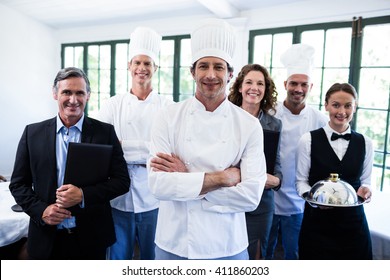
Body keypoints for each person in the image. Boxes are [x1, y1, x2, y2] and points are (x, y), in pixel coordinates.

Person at [148, 19, 267, 260]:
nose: (211, 75)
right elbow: (158, 185)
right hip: (173, 244)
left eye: (219, 67)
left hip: (227, 246)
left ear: (230, 73)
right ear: (192, 72)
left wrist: (187, 180)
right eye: (203, 66)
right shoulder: (167, 116)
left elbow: (251, 197)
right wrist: (222, 178)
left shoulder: (249, 125)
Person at [9, 67, 130, 260]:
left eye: (79, 93)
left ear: (88, 96)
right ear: (55, 94)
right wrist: (42, 211)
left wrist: (83, 195)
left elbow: (122, 181)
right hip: (46, 237)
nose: (73, 100)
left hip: (91, 237)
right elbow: (18, 184)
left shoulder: (105, 133)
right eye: (67, 92)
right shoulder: (32, 133)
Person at [98, 27, 173, 260]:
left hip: (154, 199)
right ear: (129, 66)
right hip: (119, 200)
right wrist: (149, 151)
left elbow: (169, 151)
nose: (142, 68)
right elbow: (104, 149)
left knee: (153, 259)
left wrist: (123, 148)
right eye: (137, 63)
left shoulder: (167, 106)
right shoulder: (113, 104)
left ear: (156, 68)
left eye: (147, 63)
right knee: (118, 259)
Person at [296, 82, 373, 259]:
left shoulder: (366, 142)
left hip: (354, 226)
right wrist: (314, 199)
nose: (342, 111)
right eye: (336, 105)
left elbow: (366, 180)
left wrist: (367, 190)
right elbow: (300, 182)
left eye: (348, 106)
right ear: (326, 105)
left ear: (355, 107)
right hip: (317, 225)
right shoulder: (307, 140)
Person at [265, 43, 328, 260]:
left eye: (304, 84)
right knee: (264, 251)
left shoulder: (319, 120)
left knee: (295, 253)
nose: (298, 89)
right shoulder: (269, 114)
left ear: (311, 87)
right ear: (285, 84)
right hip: (269, 196)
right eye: (293, 83)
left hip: (301, 200)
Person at [228, 64, 282, 260]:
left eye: (260, 83)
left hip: (261, 204)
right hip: (229, 199)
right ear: (240, 87)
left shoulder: (274, 124)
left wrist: (277, 181)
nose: (254, 88)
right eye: (249, 82)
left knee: (257, 256)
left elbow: (276, 166)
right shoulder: (226, 118)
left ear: (265, 90)